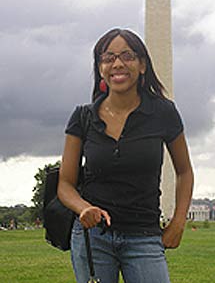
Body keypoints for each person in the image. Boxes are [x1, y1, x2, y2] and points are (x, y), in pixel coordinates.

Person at [58, 28, 194, 283]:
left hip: (144, 236)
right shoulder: (82, 117)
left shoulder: (163, 112)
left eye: (127, 56)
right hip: (92, 237)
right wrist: (84, 208)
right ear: (100, 68)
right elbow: (65, 184)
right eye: (108, 57)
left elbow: (184, 171)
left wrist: (178, 222)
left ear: (142, 65)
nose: (117, 63)